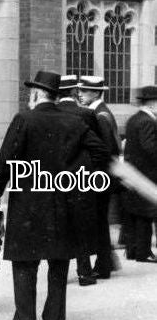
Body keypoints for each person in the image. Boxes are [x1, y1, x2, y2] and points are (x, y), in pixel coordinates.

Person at [0, 71, 108, 320]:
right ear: (55, 96)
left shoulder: (24, 119)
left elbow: (6, 161)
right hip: (63, 203)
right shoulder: (73, 122)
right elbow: (100, 152)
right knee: (59, 261)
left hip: (28, 205)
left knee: (24, 262)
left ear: (35, 94)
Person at [55, 74, 103, 287]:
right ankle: (85, 273)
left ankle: (59, 274)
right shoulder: (86, 114)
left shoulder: (50, 114)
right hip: (80, 179)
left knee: (60, 225)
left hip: (52, 179)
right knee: (80, 225)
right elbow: (98, 147)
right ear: (75, 91)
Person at [77, 75, 121, 277]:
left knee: (100, 222)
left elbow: (105, 148)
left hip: (101, 177)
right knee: (100, 221)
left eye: (84, 91)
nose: (80, 94)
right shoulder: (100, 111)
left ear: (96, 93)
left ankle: (104, 266)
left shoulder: (100, 115)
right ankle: (106, 263)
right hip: (105, 177)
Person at [120, 86, 157, 263]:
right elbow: (151, 148)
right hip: (148, 174)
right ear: (152, 103)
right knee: (146, 215)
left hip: (135, 173)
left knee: (136, 213)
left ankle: (134, 250)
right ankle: (144, 252)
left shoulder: (134, 119)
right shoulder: (148, 122)